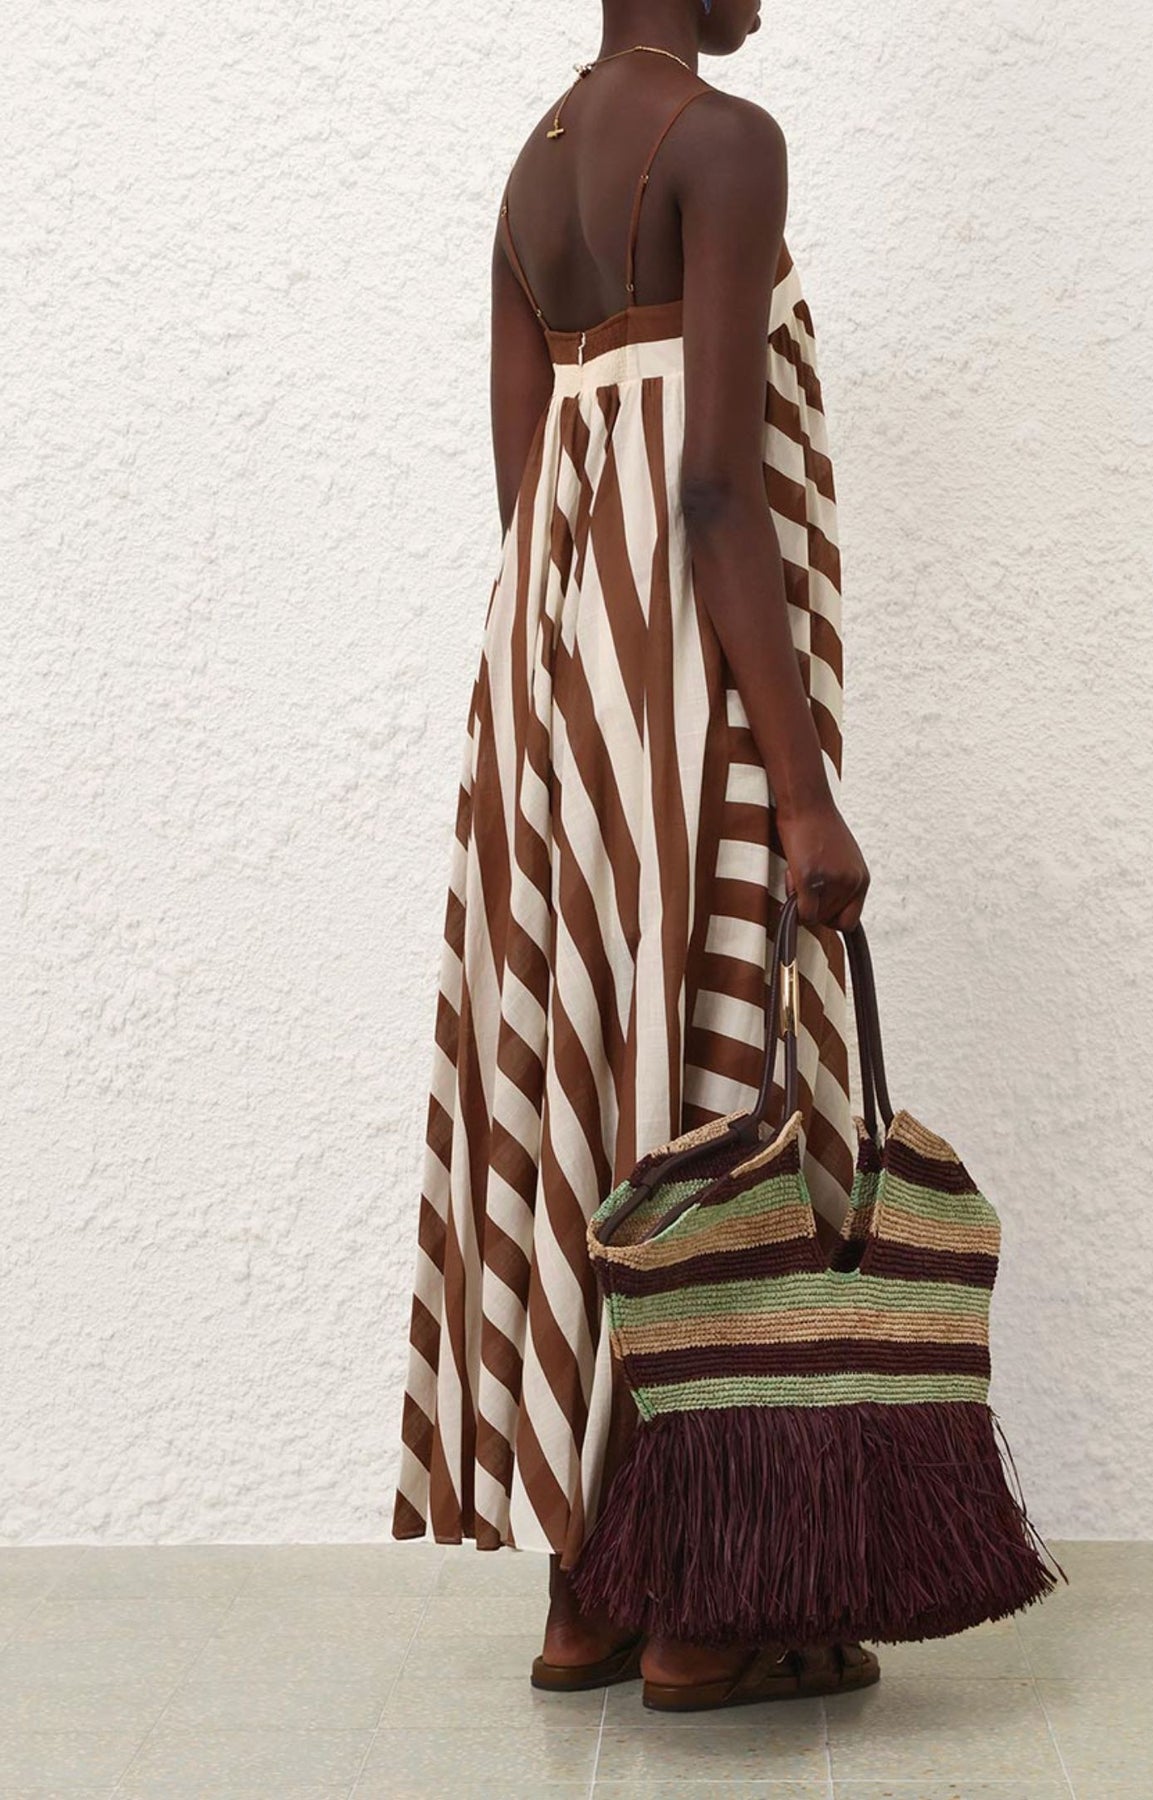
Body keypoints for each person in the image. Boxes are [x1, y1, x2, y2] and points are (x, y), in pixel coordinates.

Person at [392, 0, 876, 1709]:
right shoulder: (723, 144)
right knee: (718, 1093)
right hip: (695, 695)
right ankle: (703, 1610)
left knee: (585, 1087)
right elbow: (715, 491)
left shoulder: (533, 177)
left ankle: (585, 1591)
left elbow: (530, 486)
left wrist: (579, 695)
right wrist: (799, 791)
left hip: (548, 698)